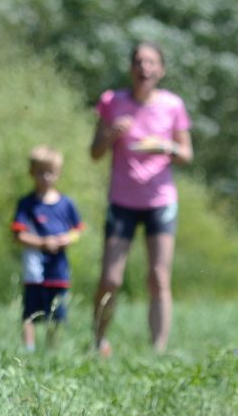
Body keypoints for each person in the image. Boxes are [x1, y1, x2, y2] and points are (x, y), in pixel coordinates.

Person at [89, 41, 193, 355]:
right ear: (131, 68)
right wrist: (110, 134)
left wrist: (167, 147)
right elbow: (94, 152)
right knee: (110, 279)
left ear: (160, 70)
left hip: (160, 201)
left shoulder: (173, 105)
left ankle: (157, 350)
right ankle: (98, 342)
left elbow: (187, 154)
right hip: (121, 201)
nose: (144, 68)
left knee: (159, 277)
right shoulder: (112, 101)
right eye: (138, 62)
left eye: (151, 63)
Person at [11, 145, 84, 351]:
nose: (45, 177)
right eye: (40, 172)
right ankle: (29, 350)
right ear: (31, 172)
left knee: (57, 313)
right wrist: (42, 243)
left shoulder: (66, 204)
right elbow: (19, 234)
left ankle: (53, 351)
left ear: (58, 174)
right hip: (34, 269)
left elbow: (77, 231)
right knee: (30, 311)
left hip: (58, 268)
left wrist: (66, 239)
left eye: (50, 173)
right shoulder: (26, 204)